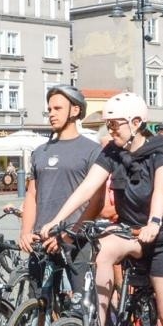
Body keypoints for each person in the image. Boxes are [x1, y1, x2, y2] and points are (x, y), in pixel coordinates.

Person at [40, 92, 163, 326]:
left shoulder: (162, 149)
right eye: (108, 125)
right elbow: (87, 187)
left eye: (116, 125)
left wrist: (155, 222)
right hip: (131, 232)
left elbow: (161, 190)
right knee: (104, 249)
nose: (111, 131)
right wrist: (58, 219)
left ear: (136, 123)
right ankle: (98, 325)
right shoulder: (112, 151)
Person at [19, 84, 101, 289]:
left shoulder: (92, 150)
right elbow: (32, 195)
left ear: (75, 110)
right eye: (49, 110)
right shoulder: (40, 151)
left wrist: (69, 235)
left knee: (81, 308)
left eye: (57, 109)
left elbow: (97, 201)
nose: (51, 114)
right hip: (42, 238)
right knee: (38, 304)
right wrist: (26, 231)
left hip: (76, 240)